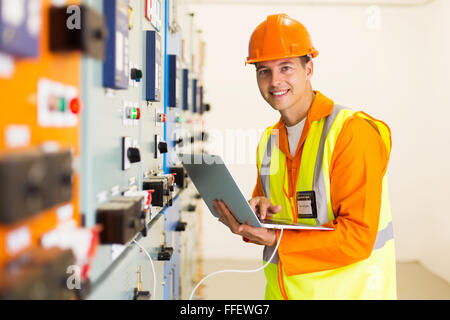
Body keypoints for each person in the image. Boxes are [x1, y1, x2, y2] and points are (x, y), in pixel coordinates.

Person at [211, 13, 397, 300]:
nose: (275, 82)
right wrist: (253, 215)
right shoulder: (269, 141)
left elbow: (358, 238)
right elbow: (273, 217)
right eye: (263, 71)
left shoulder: (351, 133)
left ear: (309, 68)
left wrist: (276, 239)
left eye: (286, 68)